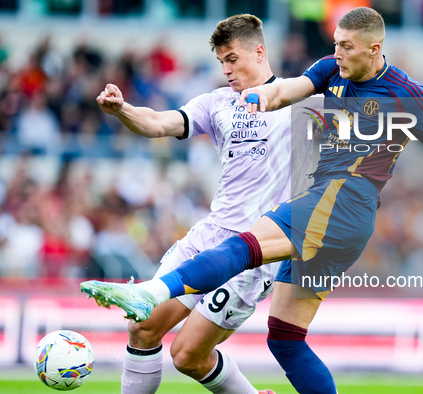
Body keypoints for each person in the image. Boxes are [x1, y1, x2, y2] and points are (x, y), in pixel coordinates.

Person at [83, 7, 423, 394]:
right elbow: (286, 89)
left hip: (338, 205)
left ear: (375, 48)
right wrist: (260, 96)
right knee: (283, 338)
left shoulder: (406, 95)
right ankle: (155, 299)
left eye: (345, 46)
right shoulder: (320, 75)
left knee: (242, 249)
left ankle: (151, 291)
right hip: (327, 221)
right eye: (335, 43)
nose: (336, 52)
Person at [90, 14, 308, 394]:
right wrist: (123, 109)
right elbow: (158, 122)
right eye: (220, 61)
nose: (225, 69)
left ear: (259, 52)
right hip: (209, 234)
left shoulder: (298, 101)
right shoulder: (217, 102)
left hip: (257, 248)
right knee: (142, 326)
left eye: (232, 59)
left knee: (188, 356)